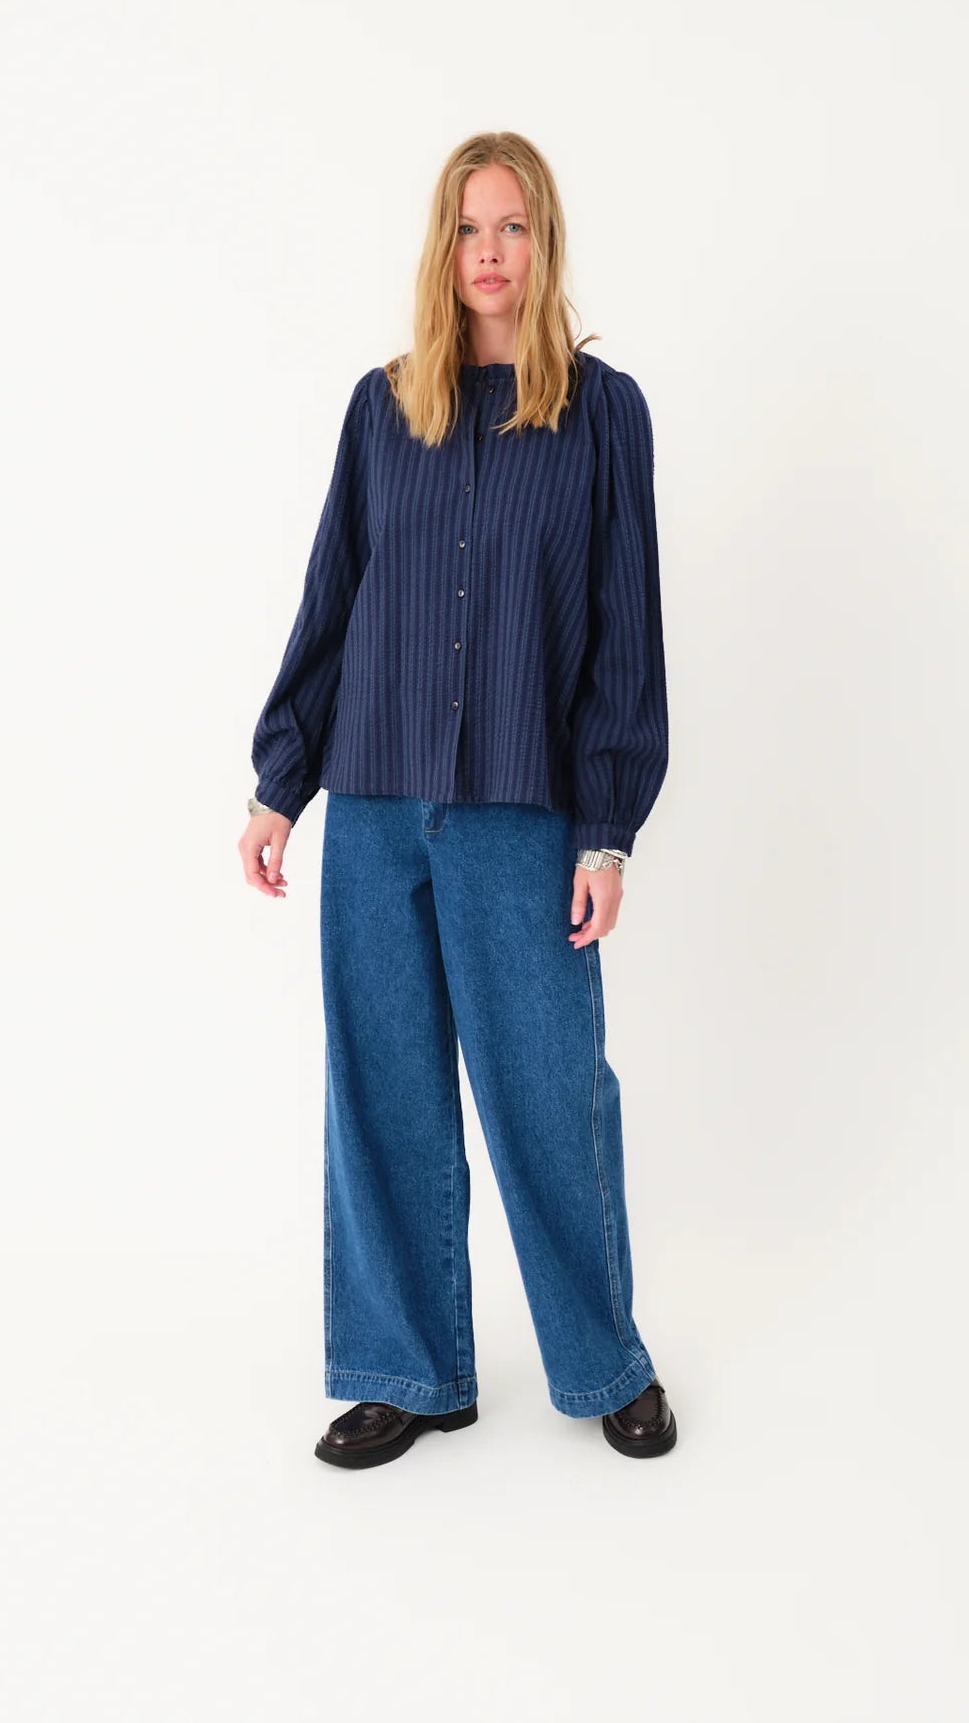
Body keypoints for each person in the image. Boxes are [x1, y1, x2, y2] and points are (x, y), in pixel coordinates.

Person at [237, 132, 676, 1467]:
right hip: (374, 803)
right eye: (471, 228)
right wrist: (280, 783)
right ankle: (409, 1375)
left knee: (551, 1091)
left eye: (517, 227)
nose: (492, 252)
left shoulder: (603, 415)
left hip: (522, 811)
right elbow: (334, 599)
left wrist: (607, 824)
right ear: (445, 249)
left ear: (544, 246)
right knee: (381, 1093)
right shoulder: (386, 407)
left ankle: (605, 1366)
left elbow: (623, 631)